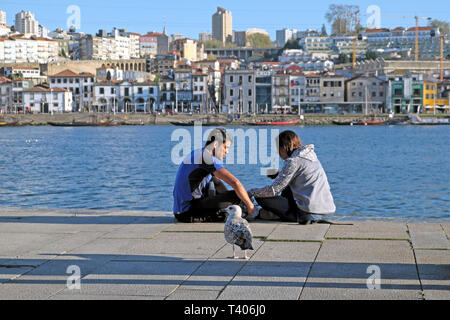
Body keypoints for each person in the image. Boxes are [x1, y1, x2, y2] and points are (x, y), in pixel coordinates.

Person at [249, 130, 335, 224]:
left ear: (285, 147)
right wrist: (280, 174)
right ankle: (277, 213)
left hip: (306, 212)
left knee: (261, 197)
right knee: (287, 185)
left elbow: (273, 190)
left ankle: (283, 214)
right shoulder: (310, 156)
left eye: (278, 149)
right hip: (326, 210)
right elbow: (301, 175)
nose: (278, 153)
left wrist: (251, 192)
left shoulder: (292, 161)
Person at [173, 128, 256, 223]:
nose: (227, 152)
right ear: (216, 144)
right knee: (237, 195)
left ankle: (229, 209)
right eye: (226, 147)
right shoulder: (207, 158)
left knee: (218, 183)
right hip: (188, 212)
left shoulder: (197, 153)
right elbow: (235, 183)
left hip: (180, 211)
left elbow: (217, 183)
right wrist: (250, 206)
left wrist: (227, 197)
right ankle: (243, 211)